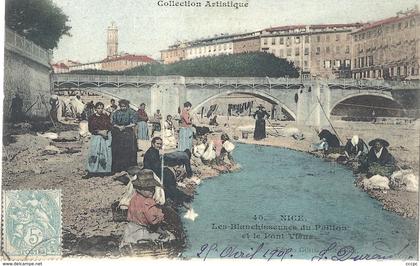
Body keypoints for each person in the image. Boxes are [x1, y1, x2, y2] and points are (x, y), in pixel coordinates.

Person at [86, 102, 112, 176]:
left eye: (101, 108)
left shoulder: (105, 116)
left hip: (104, 138)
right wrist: (99, 132)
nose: (100, 110)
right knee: (94, 153)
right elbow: (90, 128)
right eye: (98, 108)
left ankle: (103, 171)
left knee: (104, 154)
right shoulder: (92, 117)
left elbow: (109, 126)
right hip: (96, 137)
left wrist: (106, 131)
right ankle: (92, 171)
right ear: (95, 109)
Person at [111, 99, 138, 172]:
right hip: (118, 133)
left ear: (127, 105)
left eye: (124, 106)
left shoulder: (131, 112)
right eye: (121, 106)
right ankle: (119, 167)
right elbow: (113, 122)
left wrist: (125, 127)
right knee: (118, 150)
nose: (123, 108)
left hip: (128, 133)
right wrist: (118, 127)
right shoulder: (116, 113)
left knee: (128, 150)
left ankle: (128, 166)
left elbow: (134, 123)